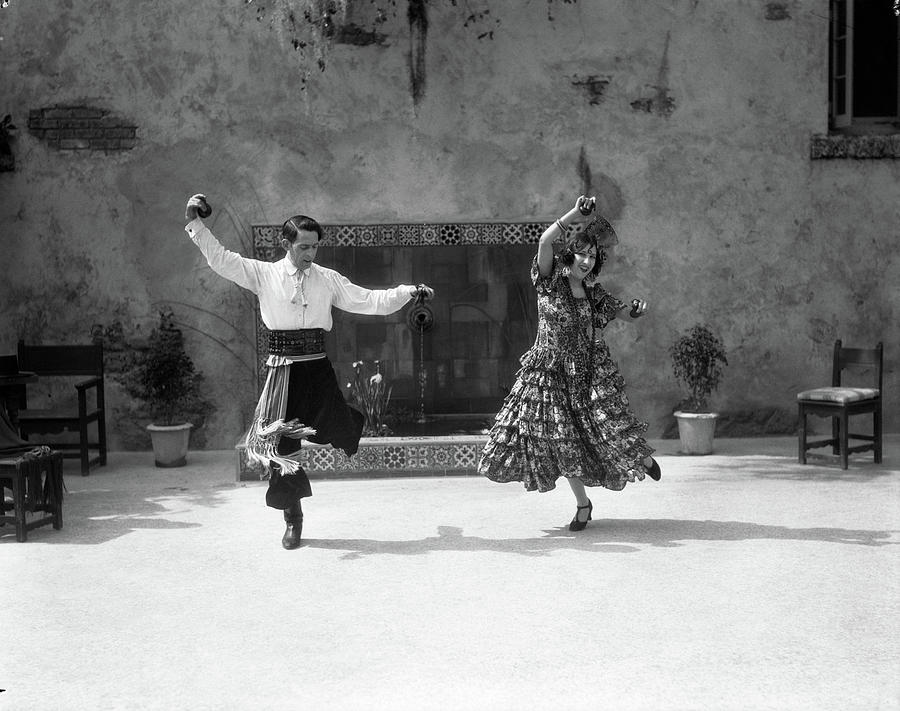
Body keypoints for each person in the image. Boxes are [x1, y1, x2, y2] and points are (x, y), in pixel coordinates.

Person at [183, 194, 434, 549]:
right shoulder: (263, 274)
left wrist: (407, 292)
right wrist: (196, 222)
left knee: (341, 427)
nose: (310, 254)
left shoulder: (327, 279)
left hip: (317, 369)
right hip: (282, 374)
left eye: (314, 248)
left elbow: (368, 300)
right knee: (284, 449)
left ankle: (341, 424)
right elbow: (221, 259)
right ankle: (293, 518)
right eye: (303, 247)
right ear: (285, 244)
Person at [477, 195, 660, 532]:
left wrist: (634, 311)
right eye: (582, 254)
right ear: (569, 255)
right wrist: (577, 214)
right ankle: (582, 505)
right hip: (548, 373)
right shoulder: (549, 282)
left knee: (608, 425)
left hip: (587, 373)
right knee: (562, 440)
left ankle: (641, 457)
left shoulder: (594, 293)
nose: (587, 261)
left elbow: (623, 313)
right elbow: (545, 240)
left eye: (592, 256)